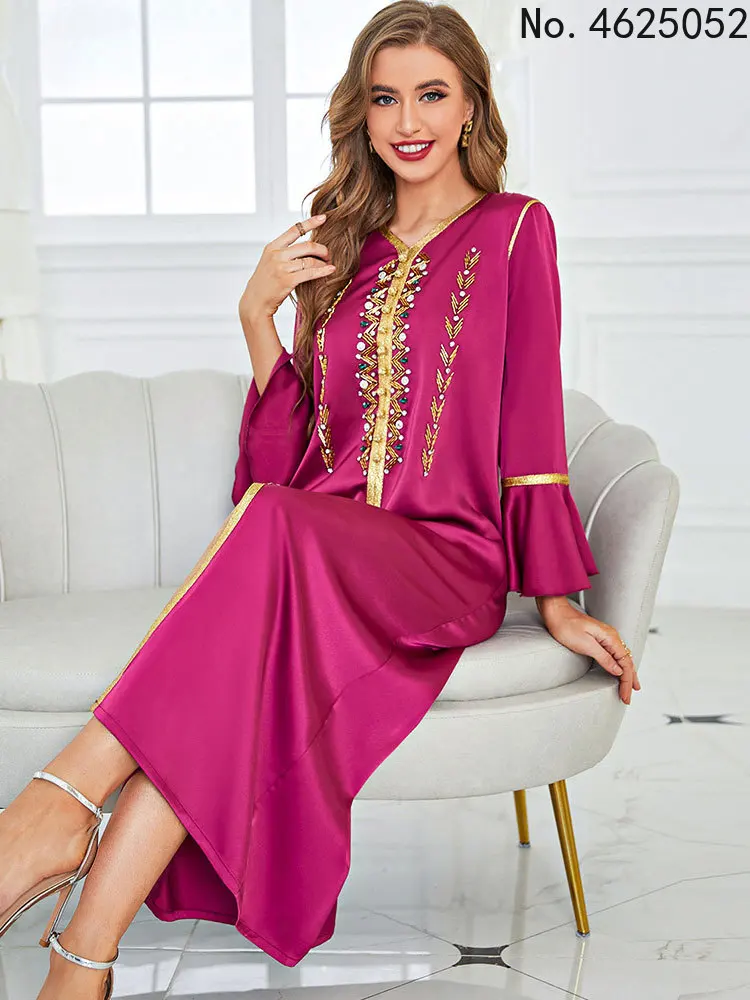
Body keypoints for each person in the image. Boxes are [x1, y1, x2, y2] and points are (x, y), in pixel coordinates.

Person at [0, 1, 640, 995]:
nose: (407, 120)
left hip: (445, 562)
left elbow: (530, 425)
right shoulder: (342, 247)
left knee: (267, 534)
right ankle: (82, 957)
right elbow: (295, 455)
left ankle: (49, 811)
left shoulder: (516, 230)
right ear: (361, 112)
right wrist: (258, 313)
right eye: (384, 98)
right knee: (226, 669)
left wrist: (556, 598)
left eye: (431, 94)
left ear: (471, 104)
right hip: (320, 550)